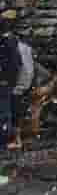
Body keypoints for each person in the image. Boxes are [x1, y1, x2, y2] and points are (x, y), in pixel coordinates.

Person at [0, 11, 19, 152]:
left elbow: (13, 64)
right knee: (5, 111)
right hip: (6, 82)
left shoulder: (8, 43)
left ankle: (5, 139)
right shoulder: (11, 42)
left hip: (4, 82)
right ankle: (6, 138)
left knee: (5, 111)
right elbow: (16, 64)